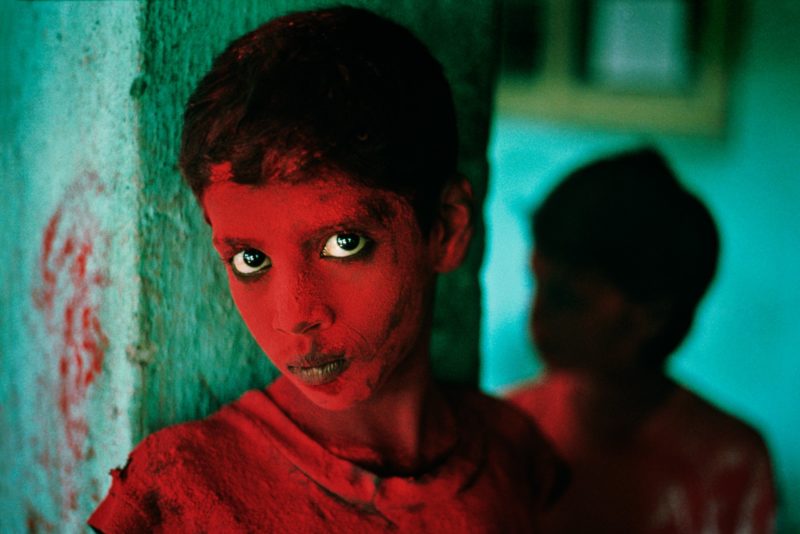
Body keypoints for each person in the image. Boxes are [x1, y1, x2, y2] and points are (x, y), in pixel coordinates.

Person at [88, 7, 564, 532]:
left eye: (345, 243)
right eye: (250, 260)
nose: (294, 316)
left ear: (446, 230)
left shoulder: (513, 461)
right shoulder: (180, 493)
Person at [507, 148, 777, 533]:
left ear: (650, 316)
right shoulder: (512, 430)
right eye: (535, 283)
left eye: (567, 298)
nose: (536, 314)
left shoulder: (731, 461)